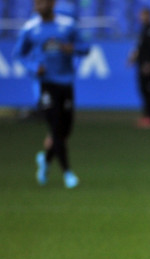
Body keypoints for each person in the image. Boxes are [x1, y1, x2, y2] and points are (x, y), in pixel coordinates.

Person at [13, 0, 90, 189]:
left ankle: (45, 161)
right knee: (55, 127)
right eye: (36, 3)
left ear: (52, 3)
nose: (39, 6)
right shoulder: (30, 28)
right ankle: (67, 173)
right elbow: (19, 54)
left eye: (43, 2)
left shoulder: (67, 25)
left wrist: (73, 49)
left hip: (65, 82)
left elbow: (85, 47)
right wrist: (33, 67)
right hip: (46, 84)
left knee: (65, 130)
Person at [129, 7, 150, 129]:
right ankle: (147, 116)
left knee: (149, 90)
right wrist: (133, 57)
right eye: (141, 15)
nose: (141, 17)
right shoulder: (144, 29)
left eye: (144, 15)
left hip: (148, 65)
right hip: (141, 63)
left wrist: (149, 63)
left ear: (149, 16)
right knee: (143, 89)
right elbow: (140, 47)